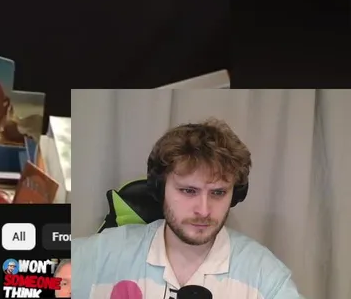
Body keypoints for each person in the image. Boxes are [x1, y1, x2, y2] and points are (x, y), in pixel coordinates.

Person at [72, 119, 304, 298]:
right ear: (159, 189)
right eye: (188, 191)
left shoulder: (264, 275)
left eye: (218, 193)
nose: (203, 211)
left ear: (235, 195)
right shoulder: (103, 254)